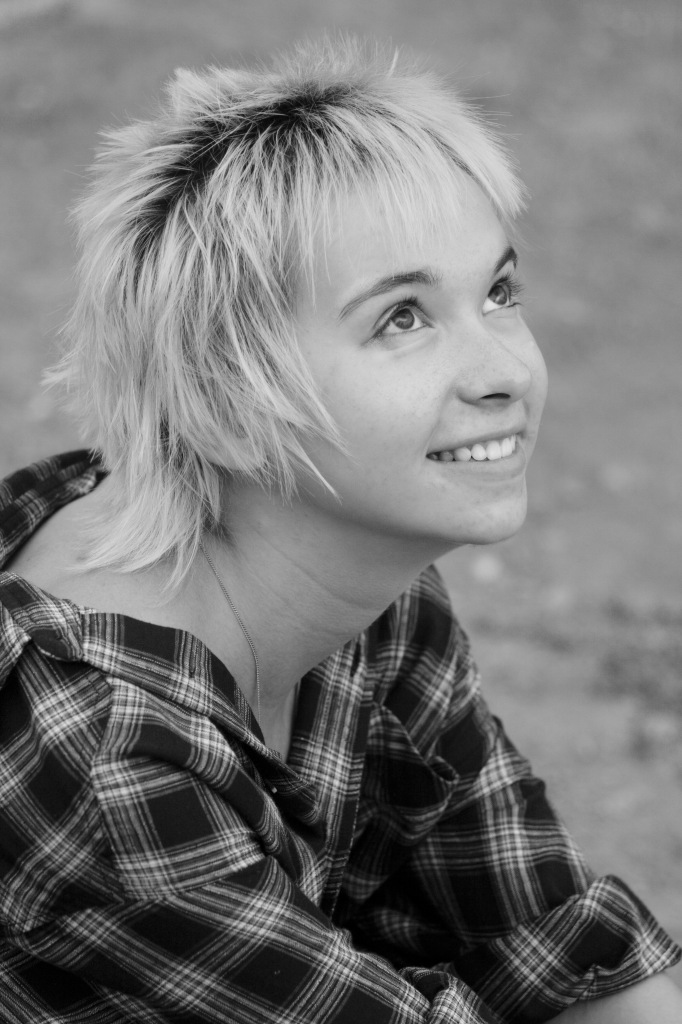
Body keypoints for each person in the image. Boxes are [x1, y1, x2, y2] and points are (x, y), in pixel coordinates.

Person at [0, 35, 680, 1024]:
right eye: (402, 318)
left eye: (497, 292)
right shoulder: (108, 758)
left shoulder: (362, 570)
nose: (505, 371)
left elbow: (550, 935)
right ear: (226, 407)